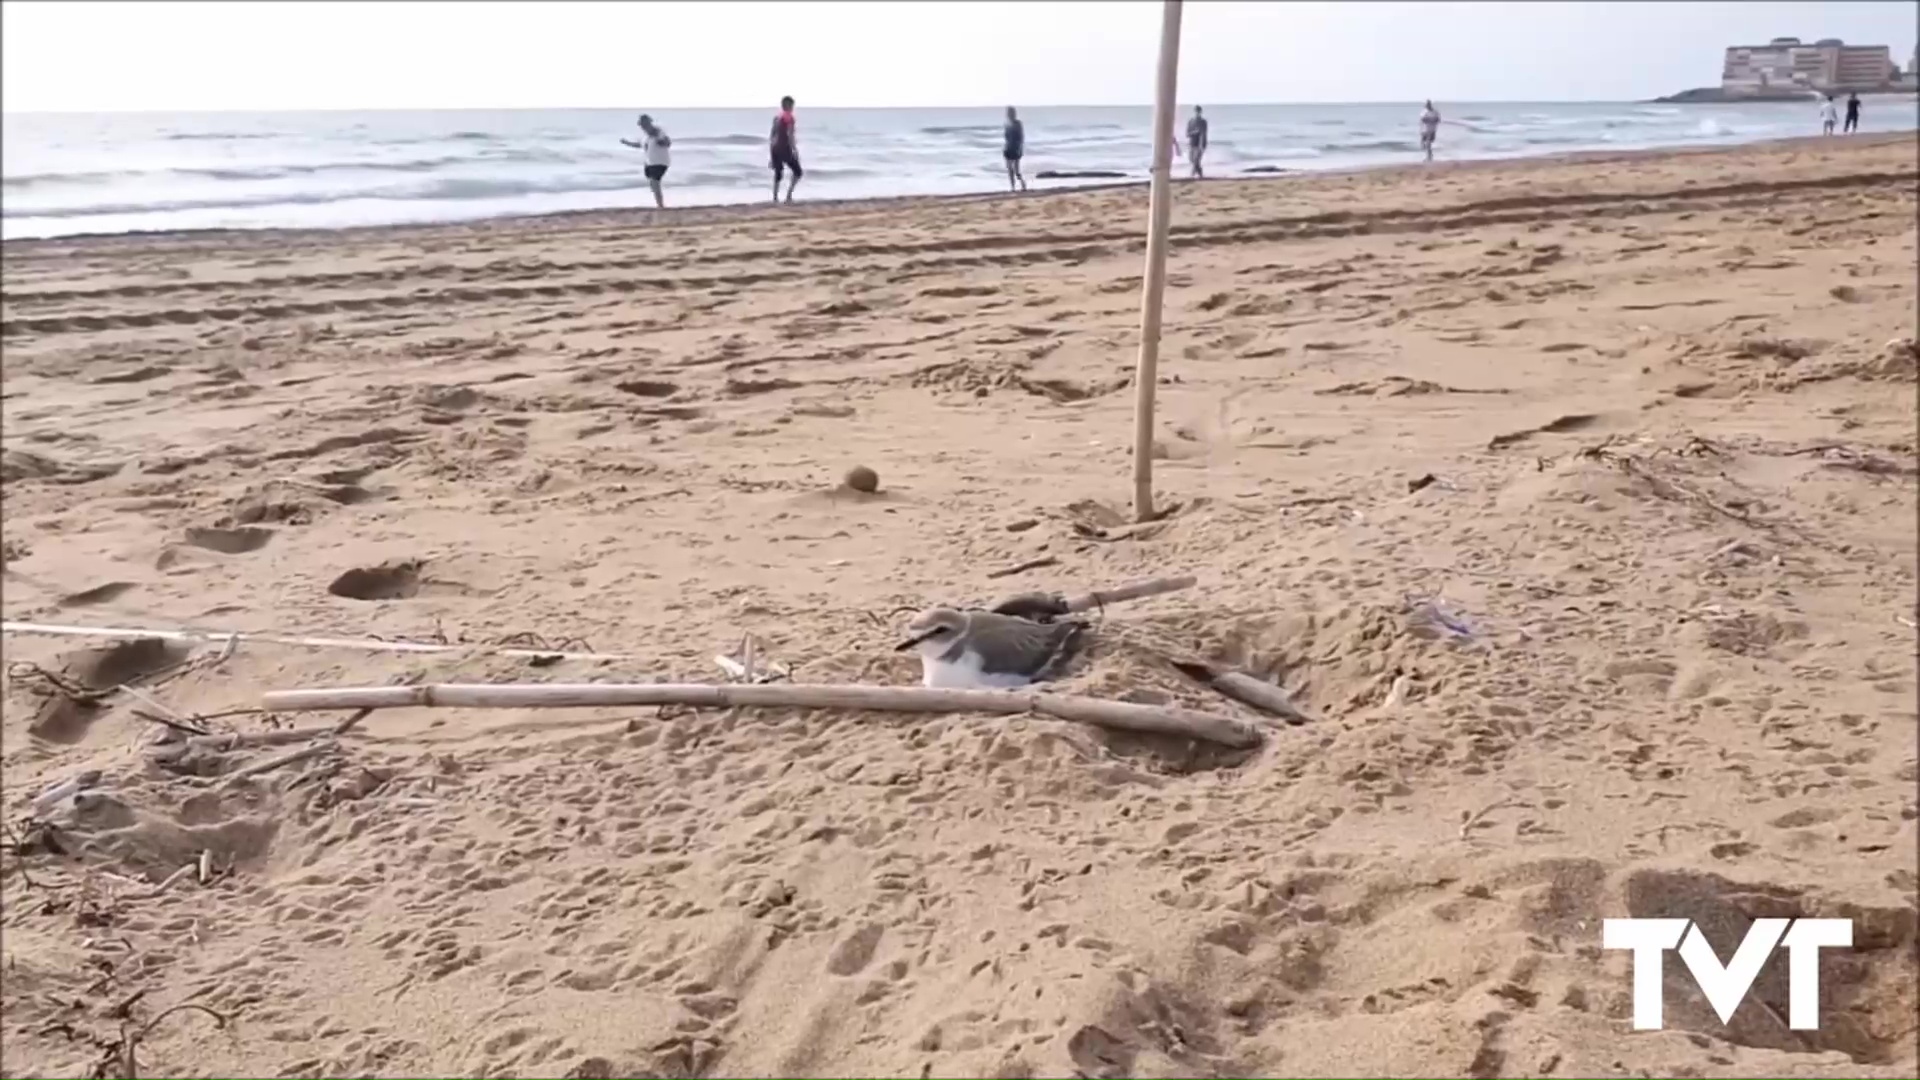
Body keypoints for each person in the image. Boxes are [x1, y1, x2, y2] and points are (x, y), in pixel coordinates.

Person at [619, 114, 671, 208]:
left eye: (644, 124)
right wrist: (626, 143)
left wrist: (661, 141)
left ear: (649, 123)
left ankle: (660, 205)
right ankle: (659, 203)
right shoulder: (645, 136)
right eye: (641, 125)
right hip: (650, 162)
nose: (643, 127)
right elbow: (639, 145)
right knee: (652, 184)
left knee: (654, 182)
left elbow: (667, 142)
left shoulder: (658, 132)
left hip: (660, 162)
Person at [770, 95, 802, 202]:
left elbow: (772, 136)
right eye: (792, 105)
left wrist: (771, 155)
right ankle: (788, 195)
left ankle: (775, 197)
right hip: (785, 148)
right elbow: (790, 134)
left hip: (774, 149)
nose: (793, 107)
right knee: (798, 172)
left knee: (778, 173)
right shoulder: (789, 117)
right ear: (788, 105)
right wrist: (794, 149)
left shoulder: (777, 118)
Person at [1003, 106, 1028, 192]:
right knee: (1010, 169)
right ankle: (1012, 187)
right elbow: (1006, 137)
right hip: (1008, 148)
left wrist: (1020, 148)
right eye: (1008, 113)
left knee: (1016, 171)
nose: (1009, 115)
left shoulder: (1018, 123)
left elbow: (1021, 137)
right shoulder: (1007, 124)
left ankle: (1023, 184)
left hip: (1016, 148)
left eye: (1011, 113)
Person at [1186, 105, 1209, 179]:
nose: (1197, 113)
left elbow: (1204, 133)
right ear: (1194, 112)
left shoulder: (1203, 122)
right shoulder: (1191, 121)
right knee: (1192, 159)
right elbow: (1187, 134)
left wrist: (1202, 144)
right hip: (1192, 143)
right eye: (1196, 111)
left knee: (1196, 160)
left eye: (1199, 111)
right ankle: (1200, 174)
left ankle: (1192, 175)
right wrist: (1195, 132)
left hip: (1200, 143)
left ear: (1201, 112)